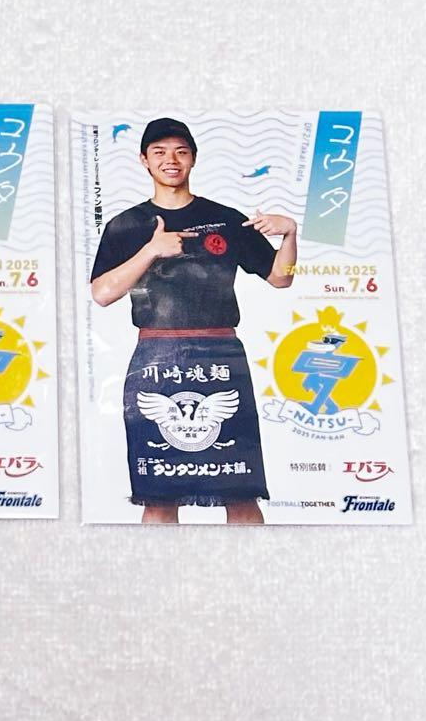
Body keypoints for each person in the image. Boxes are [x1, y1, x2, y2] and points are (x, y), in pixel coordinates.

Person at [90, 117, 297, 524]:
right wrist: (151, 250)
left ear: (194, 159)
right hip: (156, 356)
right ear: (144, 160)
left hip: (221, 354)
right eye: (160, 152)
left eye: (180, 152)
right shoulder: (126, 225)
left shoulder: (226, 219)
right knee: (159, 496)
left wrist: (290, 235)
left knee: (241, 492)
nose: (171, 160)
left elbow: (281, 278)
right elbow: (102, 293)